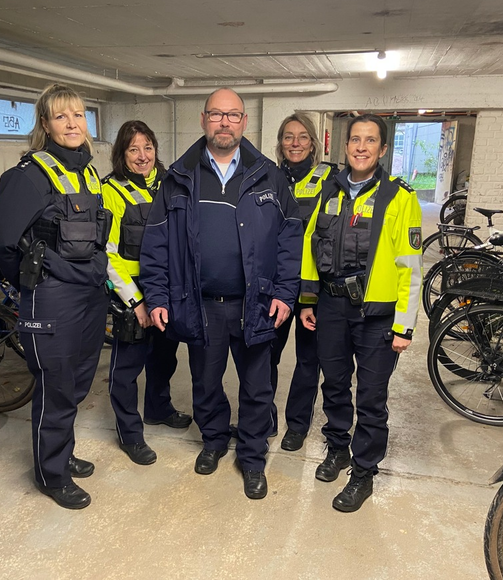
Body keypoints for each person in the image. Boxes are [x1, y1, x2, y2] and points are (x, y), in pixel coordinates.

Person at [139, 88, 302, 500]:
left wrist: (285, 291)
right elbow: (156, 243)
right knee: (206, 382)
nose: (224, 122)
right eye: (216, 114)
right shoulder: (178, 176)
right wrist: (157, 298)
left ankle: (251, 458)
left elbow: (290, 239)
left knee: (257, 386)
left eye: (233, 115)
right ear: (203, 119)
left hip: (257, 303)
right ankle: (213, 441)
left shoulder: (269, 175)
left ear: (245, 122)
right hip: (201, 304)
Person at [0, 83, 110, 510]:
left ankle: (59, 452)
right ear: (45, 124)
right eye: (61, 116)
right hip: (52, 296)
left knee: (76, 384)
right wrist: (34, 283)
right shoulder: (28, 177)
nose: (72, 123)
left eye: (78, 115)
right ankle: (50, 475)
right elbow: (2, 243)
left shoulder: (87, 172)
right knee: (56, 386)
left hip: (91, 293)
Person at [299, 113, 422, 513]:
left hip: (378, 317)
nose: (362, 147)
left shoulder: (399, 198)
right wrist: (308, 298)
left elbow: (411, 268)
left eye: (371, 140)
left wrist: (405, 326)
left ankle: (364, 471)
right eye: (355, 139)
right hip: (333, 307)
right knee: (333, 385)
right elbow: (309, 246)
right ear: (345, 146)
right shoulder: (328, 190)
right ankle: (338, 450)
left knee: (371, 397)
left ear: (383, 149)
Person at [102, 120, 192, 465]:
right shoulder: (112, 190)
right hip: (133, 291)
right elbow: (108, 252)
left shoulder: (169, 183)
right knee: (127, 367)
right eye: (133, 149)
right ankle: (130, 434)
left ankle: (158, 408)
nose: (142, 156)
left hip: (168, 288)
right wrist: (134, 299)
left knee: (163, 357)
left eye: (148, 147)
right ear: (122, 155)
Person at [269, 114, 337, 451]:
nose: (295, 143)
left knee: (309, 360)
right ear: (280, 143)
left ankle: (297, 426)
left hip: (314, 285)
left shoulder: (331, 178)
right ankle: (262, 417)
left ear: (313, 142)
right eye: (288, 137)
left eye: (302, 137)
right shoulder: (268, 177)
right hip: (276, 284)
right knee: (264, 355)